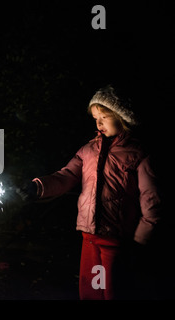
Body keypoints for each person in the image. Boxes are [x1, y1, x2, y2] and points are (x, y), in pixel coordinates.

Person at [17, 85, 161, 300]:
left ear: (122, 117)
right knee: (91, 289)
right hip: (89, 237)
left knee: (113, 291)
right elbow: (65, 176)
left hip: (117, 240)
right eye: (95, 117)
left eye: (104, 116)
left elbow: (152, 200)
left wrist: (140, 240)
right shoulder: (87, 150)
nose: (99, 123)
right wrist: (37, 187)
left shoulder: (138, 154)